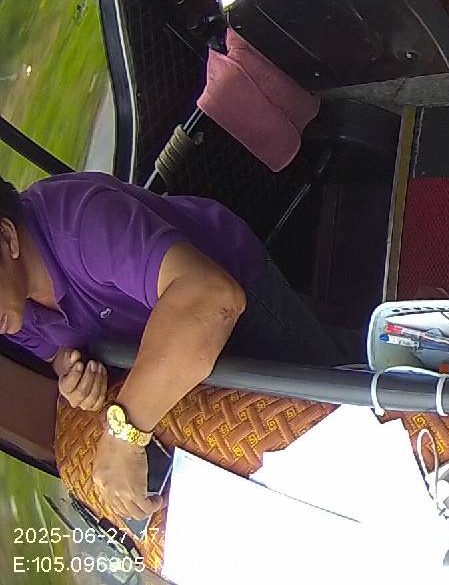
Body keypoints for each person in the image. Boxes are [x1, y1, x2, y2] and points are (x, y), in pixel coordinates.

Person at [0, 172, 364, 520]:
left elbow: (213, 298)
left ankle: (390, 351)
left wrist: (123, 433)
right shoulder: (11, 311)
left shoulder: (82, 223)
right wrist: (72, 373)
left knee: (342, 400)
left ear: (6, 237)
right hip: (170, 361)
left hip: (237, 302)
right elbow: (55, 352)